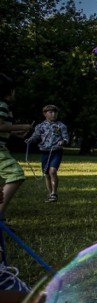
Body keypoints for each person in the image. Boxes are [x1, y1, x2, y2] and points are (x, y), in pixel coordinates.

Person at [0, 74, 30, 220]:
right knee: (15, 174)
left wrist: (14, 132)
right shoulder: (2, 105)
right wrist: (23, 126)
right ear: (10, 91)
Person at [26, 104, 69, 203]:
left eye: (55, 112)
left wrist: (63, 141)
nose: (53, 114)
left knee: (52, 171)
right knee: (46, 174)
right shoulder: (40, 126)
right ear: (45, 114)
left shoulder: (61, 125)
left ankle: (54, 193)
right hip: (44, 152)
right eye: (51, 112)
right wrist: (30, 140)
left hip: (56, 151)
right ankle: (50, 194)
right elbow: (35, 136)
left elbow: (66, 138)